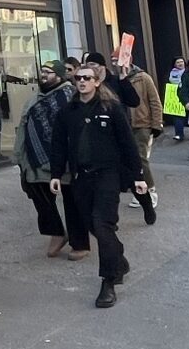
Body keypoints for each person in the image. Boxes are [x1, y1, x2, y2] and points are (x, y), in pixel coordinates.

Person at [49, 62, 148, 308]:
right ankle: (119, 259)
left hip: (107, 175)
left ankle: (108, 282)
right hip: (80, 177)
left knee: (102, 225)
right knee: (92, 225)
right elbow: (59, 144)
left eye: (87, 77)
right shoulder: (67, 111)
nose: (82, 81)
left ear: (97, 81)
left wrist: (138, 176)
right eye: (78, 78)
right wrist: (56, 173)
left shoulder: (111, 109)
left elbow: (127, 144)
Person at [14, 63, 88, 259]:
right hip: (36, 160)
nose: (43, 75)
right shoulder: (33, 98)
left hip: (64, 158)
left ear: (60, 76)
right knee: (39, 196)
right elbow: (23, 126)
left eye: (48, 72)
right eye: (42, 72)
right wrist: (19, 156)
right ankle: (56, 232)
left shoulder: (70, 95)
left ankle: (80, 243)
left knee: (72, 201)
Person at [126, 61, 163, 220]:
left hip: (142, 124)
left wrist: (157, 124)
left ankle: (151, 191)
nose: (115, 62)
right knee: (130, 161)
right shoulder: (118, 79)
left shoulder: (143, 78)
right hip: (126, 125)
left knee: (141, 159)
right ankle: (139, 191)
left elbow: (154, 101)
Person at [163, 58, 188, 141]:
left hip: (187, 96)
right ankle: (179, 134)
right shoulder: (170, 73)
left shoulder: (188, 72)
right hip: (175, 96)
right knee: (177, 116)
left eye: (181, 62)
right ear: (174, 64)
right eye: (178, 62)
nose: (180, 63)